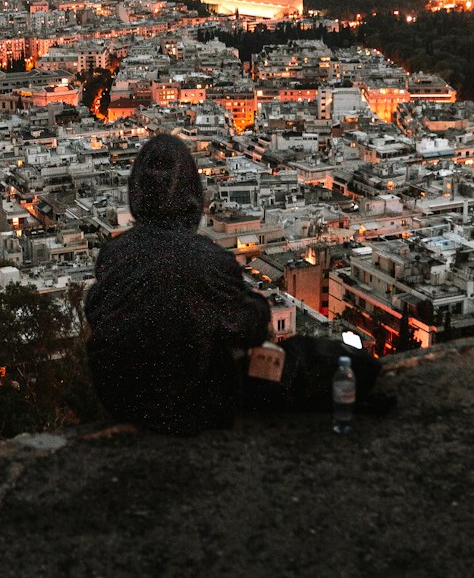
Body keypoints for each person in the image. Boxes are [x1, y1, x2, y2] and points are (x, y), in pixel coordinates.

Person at [84, 133, 382, 435]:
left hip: (121, 401)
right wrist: (256, 305)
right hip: (197, 406)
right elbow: (248, 329)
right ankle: (356, 374)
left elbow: (95, 310)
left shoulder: (114, 252)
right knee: (284, 360)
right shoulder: (208, 259)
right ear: (192, 196)